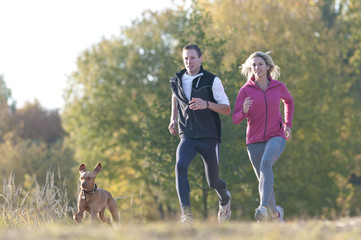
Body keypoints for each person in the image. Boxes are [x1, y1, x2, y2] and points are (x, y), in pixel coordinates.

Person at [168, 43, 231, 223]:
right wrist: (173, 119)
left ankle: (225, 198)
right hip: (187, 135)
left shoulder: (212, 80)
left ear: (201, 58)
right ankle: (186, 215)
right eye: (186, 58)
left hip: (209, 137)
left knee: (213, 181)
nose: (189, 62)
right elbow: (175, 98)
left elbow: (227, 109)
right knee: (180, 166)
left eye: (193, 58)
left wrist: (207, 104)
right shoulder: (176, 80)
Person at [232, 51, 294, 222]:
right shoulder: (245, 90)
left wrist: (287, 124)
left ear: (268, 67)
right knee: (264, 180)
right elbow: (236, 118)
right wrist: (243, 110)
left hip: (276, 135)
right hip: (253, 141)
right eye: (254, 65)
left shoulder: (278, 87)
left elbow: (289, 101)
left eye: (260, 64)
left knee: (266, 163)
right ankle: (276, 214)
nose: (257, 68)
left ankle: (262, 209)